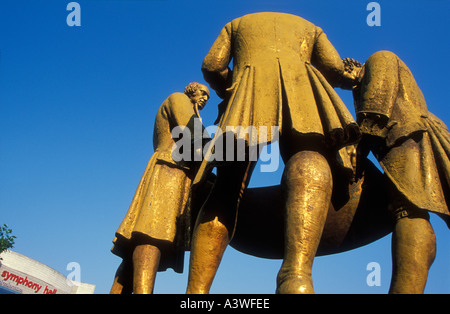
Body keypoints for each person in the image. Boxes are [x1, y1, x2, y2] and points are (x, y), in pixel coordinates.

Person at [186, 12, 361, 294]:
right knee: (309, 157)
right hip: (301, 85)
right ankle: (297, 278)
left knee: (227, 188)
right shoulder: (312, 28)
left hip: (247, 89)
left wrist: (231, 87)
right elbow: (332, 68)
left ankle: (196, 293)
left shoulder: (236, 25)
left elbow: (212, 66)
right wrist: (351, 77)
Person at [352, 51, 450, 293]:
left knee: (408, 209)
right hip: (413, 134)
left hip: (405, 135)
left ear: (352, 66)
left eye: (342, 74)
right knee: (413, 210)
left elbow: (377, 104)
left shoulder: (378, 58)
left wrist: (358, 147)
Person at [110, 82, 210, 294]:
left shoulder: (193, 112)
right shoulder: (179, 99)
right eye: (203, 94)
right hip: (170, 170)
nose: (204, 99)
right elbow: (196, 137)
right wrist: (232, 149)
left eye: (207, 98)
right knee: (151, 235)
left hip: (179, 173)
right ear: (191, 91)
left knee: (136, 249)